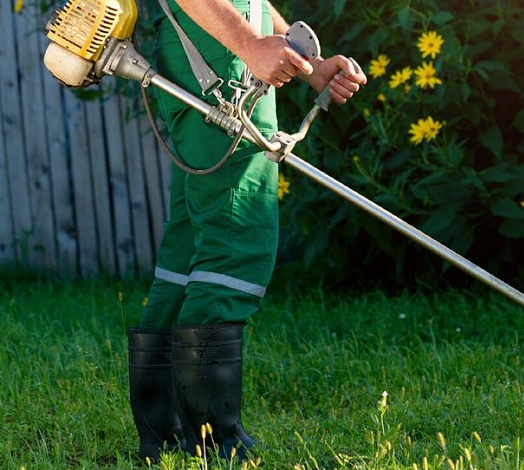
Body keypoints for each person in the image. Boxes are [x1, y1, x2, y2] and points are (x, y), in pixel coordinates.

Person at [126, 0, 366, 462]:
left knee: (189, 251)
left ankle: (167, 431)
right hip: (219, 69)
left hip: (215, 59)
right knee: (235, 242)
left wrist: (311, 67)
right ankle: (213, 438)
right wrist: (250, 44)